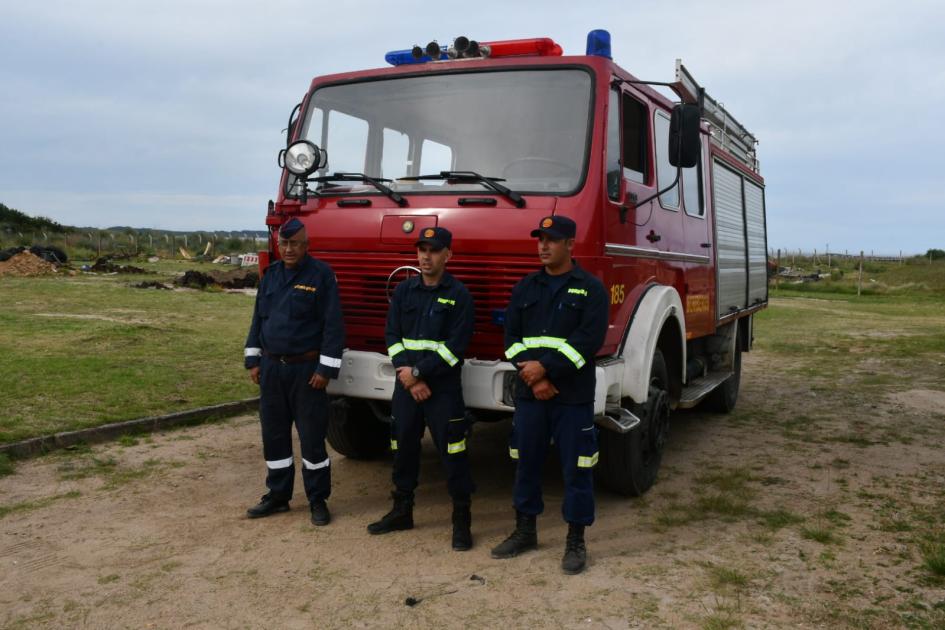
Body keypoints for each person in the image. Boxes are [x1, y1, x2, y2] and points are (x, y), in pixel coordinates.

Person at [491, 215, 608, 574]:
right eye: (540, 239)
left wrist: (546, 369)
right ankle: (525, 530)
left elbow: (587, 342)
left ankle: (576, 540)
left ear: (571, 244)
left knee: (577, 468)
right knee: (525, 462)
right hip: (531, 394)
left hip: (571, 396)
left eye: (552, 240)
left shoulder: (590, 289)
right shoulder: (525, 287)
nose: (543, 246)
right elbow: (511, 339)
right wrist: (533, 376)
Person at [367, 226, 476, 550]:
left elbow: (454, 346)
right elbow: (392, 335)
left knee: (453, 452)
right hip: (407, 387)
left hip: (441, 389)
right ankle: (402, 511)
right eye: (422, 249)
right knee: (403, 448)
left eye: (433, 250)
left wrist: (417, 373)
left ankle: (461, 521)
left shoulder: (459, 295)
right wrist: (408, 376)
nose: (426, 256)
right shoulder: (404, 291)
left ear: (447, 255)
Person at [243, 218, 345, 526]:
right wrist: (253, 359)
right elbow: (258, 321)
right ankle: (278, 496)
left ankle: (318, 499)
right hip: (273, 369)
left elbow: (333, 326)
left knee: (313, 439)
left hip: (306, 371)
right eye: (284, 244)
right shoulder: (271, 276)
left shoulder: (321, 276)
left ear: (306, 245)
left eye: (295, 243)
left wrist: (326, 368)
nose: (288, 249)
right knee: (274, 437)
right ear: (278, 245)